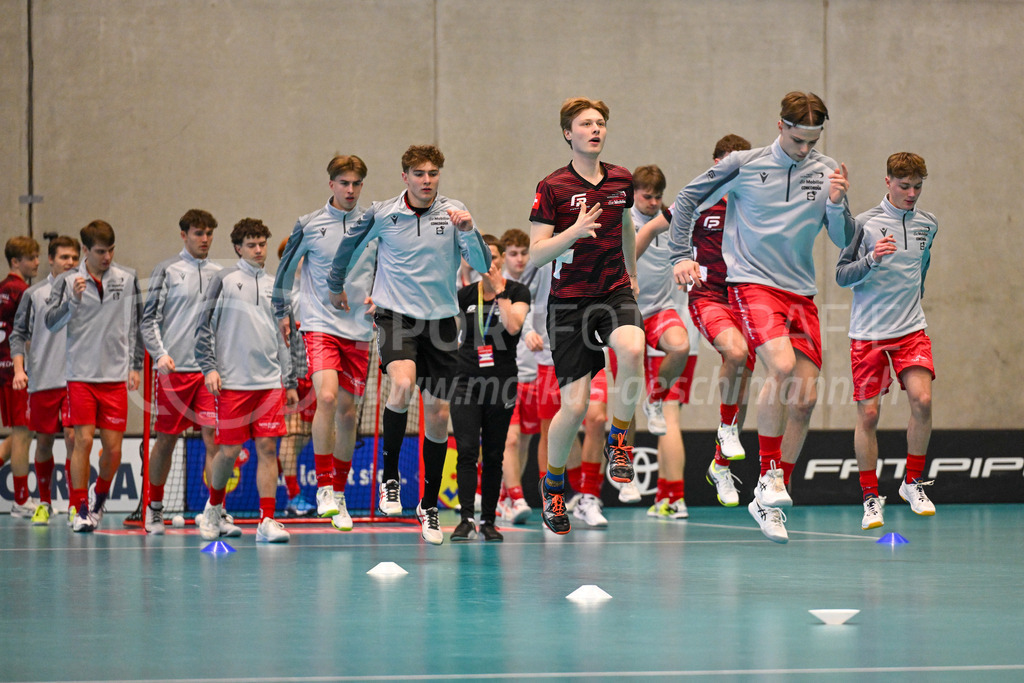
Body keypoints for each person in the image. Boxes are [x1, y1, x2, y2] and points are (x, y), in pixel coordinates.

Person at [669, 92, 854, 543]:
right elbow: (687, 199)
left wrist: (836, 204)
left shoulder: (826, 170)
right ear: (780, 126)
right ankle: (768, 472)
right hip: (752, 284)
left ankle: (767, 496)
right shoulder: (744, 164)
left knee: (805, 399)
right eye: (797, 139)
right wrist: (679, 255)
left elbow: (843, 239)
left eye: (813, 141)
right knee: (781, 367)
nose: (804, 149)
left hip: (801, 293)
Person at [328, 144, 490, 545]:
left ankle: (429, 505)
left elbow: (483, 265)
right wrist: (335, 285)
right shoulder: (383, 213)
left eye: (433, 173)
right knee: (401, 384)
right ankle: (390, 480)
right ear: (405, 177)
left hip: (441, 323)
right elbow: (348, 247)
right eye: (419, 174)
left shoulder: (455, 212)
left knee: (437, 415)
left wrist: (470, 231)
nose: (426, 180)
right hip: (395, 317)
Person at [530, 97, 646, 535]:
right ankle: (554, 486)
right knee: (575, 407)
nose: (595, 129)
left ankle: (619, 438)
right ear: (568, 133)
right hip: (568, 303)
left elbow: (626, 225)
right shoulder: (553, 187)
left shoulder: (621, 179)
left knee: (632, 349)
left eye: (600, 123)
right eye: (585, 124)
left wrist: (632, 271)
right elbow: (537, 254)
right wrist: (574, 232)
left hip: (613, 291)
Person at [641, 135, 756, 508]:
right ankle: (667, 487)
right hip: (704, 300)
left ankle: (721, 464)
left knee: (744, 376)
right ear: (715, 164)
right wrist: (627, 276)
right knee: (734, 356)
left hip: (747, 298)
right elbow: (648, 230)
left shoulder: (756, 202)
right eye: (725, 164)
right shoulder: (696, 200)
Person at [274, 155, 376, 532]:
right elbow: (285, 270)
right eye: (343, 183)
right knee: (328, 398)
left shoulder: (374, 223)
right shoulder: (309, 224)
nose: (350, 190)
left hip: (359, 330)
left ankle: (341, 494)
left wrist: (381, 297)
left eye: (356, 184)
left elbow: (389, 267)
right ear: (331, 184)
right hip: (319, 325)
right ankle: (324, 487)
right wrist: (281, 312)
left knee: (348, 415)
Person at [836, 152, 938, 529]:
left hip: (911, 330)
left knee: (922, 401)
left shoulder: (929, 224)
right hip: (868, 334)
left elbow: (921, 266)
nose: (912, 194)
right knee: (869, 415)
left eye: (917, 187)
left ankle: (912, 482)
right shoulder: (864, 224)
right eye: (904, 186)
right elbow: (841, 275)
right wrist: (872, 261)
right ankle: (870, 496)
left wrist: (915, 297)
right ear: (888, 182)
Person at [196, 218, 297, 543]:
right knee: (228, 451)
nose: (258, 250)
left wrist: (289, 381)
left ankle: (266, 520)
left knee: (267, 448)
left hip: (269, 384)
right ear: (238, 248)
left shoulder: (275, 285)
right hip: (232, 383)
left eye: (262, 244)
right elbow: (202, 326)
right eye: (251, 245)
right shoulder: (223, 280)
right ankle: (214, 508)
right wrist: (209, 367)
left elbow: (286, 336)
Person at [45, 221, 144, 532]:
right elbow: (51, 323)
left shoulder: (127, 278)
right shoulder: (66, 282)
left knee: (113, 451)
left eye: (111, 250)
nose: (107, 257)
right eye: (101, 251)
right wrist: (72, 302)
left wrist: (135, 365)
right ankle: (80, 508)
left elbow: (136, 323)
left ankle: (99, 498)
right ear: (85, 250)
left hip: (115, 378)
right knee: (83, 440)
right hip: (81, 376)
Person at [140, 209, 223, 534]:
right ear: (184, 235)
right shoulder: (167, 270)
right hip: (174, 373)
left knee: (214, 439)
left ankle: (215, 512)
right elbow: (149, 320)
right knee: (166, 440)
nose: (205, 239)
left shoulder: (220, 274)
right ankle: (154, 508)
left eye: (209, 233)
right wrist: (160, 355)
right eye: (199, 233)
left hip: (208, 374)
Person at [450, 235, 530, 542]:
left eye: (494, 257)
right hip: (466, 380)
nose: (490, 262)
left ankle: (488, 520)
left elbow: (513, 327)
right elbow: (450, 333)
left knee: (494, 454)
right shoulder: (464, 295)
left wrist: (500, 291)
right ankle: (466, 519)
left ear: (501, 260)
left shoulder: (517, 291)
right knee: (467, 450)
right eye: (483, 257)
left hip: (501, 380)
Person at [631, 164, 697, 520]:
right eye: (647, 197)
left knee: (666, 412)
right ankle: (641, 483)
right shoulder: (625, 221)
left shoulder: (677, 223)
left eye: (658, 197)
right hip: (628, 318)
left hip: (667, 317)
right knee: (629, 400)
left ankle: (673, 497)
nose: (654, 203)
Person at [10, 235, 80, 524]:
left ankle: (76, 504)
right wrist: (19, 370)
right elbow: (18, 335)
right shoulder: (34, 294)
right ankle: (45, 502)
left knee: (75, 438)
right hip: (43, 380)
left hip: (76, 381)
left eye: (74, 258)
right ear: (51, 260)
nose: (70, 262)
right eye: (64, 257)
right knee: (43, 443)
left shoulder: (86, 292)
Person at [496, 228, 541, 524]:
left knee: (523, 442)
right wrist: (527, 333)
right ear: (504, 257)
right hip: (505, 375)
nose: (520, 259)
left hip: (534, 374)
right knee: (509, 441)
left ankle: (504, 499)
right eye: (513, 254)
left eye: (524, 253)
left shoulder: (538, 280)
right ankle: (516, 497)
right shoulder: (498, 286)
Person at [274, 237, 316, 517]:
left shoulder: (317, 288)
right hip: (290, 376)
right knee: (291, 436)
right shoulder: (282, 295)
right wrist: (287, 378)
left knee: (302, 437)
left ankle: (297, 493)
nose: (303, 259)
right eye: (297, 255)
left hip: (314, 375)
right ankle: (294, 496)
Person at [1, 236, 41, 518]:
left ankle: (21, 499)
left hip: (4, 370)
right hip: (18, 373)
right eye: (31, 258)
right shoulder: (23, 292)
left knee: (20, 433)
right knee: (23, 434)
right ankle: (21, 500)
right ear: (16, 262)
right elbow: (27, 336)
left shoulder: (2, 289)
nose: (37, 262)